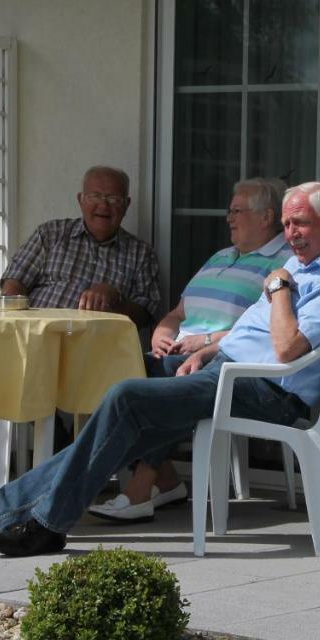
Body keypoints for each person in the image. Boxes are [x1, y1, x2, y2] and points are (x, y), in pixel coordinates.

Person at [0, 182, 320, 557]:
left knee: (126, 399)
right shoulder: (305, 263)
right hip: (226, 369)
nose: (292, 234)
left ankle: (46, 523)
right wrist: (206, 350)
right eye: (287, 223)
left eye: (300, 223)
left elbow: (287, 349)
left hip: (269, 390)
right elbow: (250, 331)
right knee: (127, 398)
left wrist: (280, 287)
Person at [89, 177, 292, 523]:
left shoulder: (281, 265)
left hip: (222, 362)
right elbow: (178, 313)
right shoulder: (219, 257)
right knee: (106, 374)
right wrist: (160, 335)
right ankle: (165, 479)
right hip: (177, 352)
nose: (228, 218)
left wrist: (206, 343)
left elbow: (260, 329)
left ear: (266, 216)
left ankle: (139, 489)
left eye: (237, 211)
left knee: (154, 386)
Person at [0, 165, 161, 327]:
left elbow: (145, 314)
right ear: (81, 200)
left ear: (126, 205)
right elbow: (15, 280)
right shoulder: (51, 233)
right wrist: (17, 324)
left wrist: (116, 300)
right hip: (39, 334)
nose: (104, 206)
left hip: (93, 345)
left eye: (113, 199)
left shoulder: (141, 254)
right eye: (95, 196)